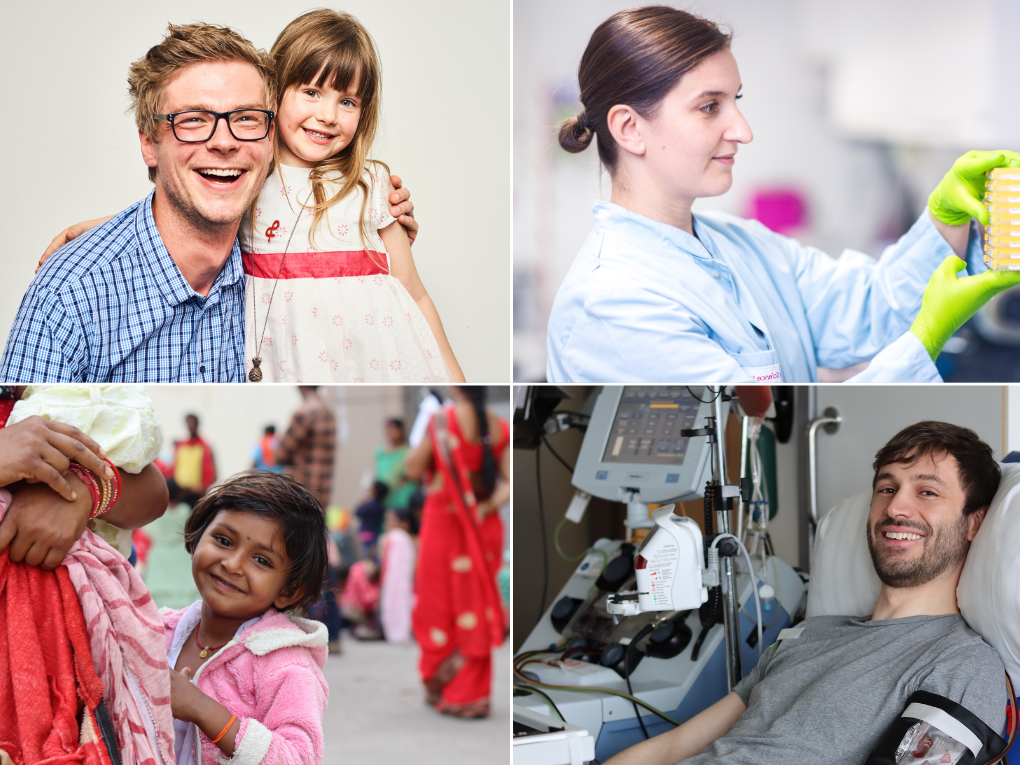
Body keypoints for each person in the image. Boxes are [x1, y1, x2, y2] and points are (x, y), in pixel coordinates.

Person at [546, 6, 1020, 384]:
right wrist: (925, 339)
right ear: (630, 128)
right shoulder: (613, 302)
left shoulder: (740, 243)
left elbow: (869, 308)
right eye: (710, 106)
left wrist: (944, 220)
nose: (743, 130)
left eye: (737, 102)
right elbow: (755, 438)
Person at [0, 21, 416, 383]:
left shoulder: (271, 264)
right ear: (148, 143)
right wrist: (105, 235)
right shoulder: (71, 296)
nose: (224, 142)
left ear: (270, 139)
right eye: (194, 120)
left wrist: (375, 229)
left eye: (246, 118)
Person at [604, 421, 1007, 765]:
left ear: (974, 523)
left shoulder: (962, 664)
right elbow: (675, 746)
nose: (896, 507)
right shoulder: (807, 634)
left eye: (927, 492)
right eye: (886, 488)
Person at [239, 9, 463, 383]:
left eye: (347, 102)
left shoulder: (371, 183)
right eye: (311, 92)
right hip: (283, 360)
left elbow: (415, 292)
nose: (328, 115)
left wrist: (457, 380)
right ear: (274, 92)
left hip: (371, 364)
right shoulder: (246, 180)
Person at [165, 470, 331, 765]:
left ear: (290, 590)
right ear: (197, 537)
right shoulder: (156, 630)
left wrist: (201, 708)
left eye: (262, 560)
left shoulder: (287, 667)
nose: (232, 564)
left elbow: (298, 758)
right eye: (224, 541)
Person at [406, 386, 511, 718]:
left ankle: (443, 686)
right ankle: (469, 694)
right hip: (482, 525)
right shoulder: (499, 425)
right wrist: (484, 508)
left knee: (437, 608)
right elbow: (508, 483)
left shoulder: (440, 421)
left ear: (455, 386)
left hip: (444, 522)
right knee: (474, 605)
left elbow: (411, 470)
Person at [276, 386, 336, 507]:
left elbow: (280, 454)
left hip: (301, 491)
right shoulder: (329, 412)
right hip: (322, 492)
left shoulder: (304, 412)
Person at [380, 506, 417, 644]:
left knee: (394, 603)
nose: (388, 522)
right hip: (401, 580)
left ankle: (396, 633)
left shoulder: (396, 537)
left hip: (395, 579)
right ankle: (400, 632)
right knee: (400, 604)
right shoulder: (406, 538)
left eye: (391, 519)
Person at [172, 413, 216, 508]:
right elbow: (175, 467)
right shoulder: (181, 445)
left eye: (193, 423)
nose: (191, 425)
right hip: (181, 493)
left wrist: (201, 487)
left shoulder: (205, 446)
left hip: (197, 494)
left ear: (197, 424)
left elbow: (212, 473)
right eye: (189, 423)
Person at [375, 418, 419, 511]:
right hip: (385, 497)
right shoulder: (380, 451)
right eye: (388, 429)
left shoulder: (409, 451)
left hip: (403, 497)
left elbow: (415, 474)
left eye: (394, 429)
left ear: (401, 430)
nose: (390, 432)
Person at [354, 480, 389, 548]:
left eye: (371, 488)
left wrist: (362, 502)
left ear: (375, 492)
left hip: (367, 534)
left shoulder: (372, 505)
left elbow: (358, 512)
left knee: (366, 555)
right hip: (373, 533)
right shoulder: (380, 505)